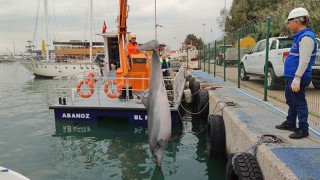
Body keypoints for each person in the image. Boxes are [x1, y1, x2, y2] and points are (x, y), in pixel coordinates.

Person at [275, 7, 317, 139]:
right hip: (292, 76)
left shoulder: (306, 38)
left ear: (297, 21)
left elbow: (304, 60)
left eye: (289, 22)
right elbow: (298, 55)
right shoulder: (299, 37)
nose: (288, 25)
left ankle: (303, 129)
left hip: (298, 77)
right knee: (291, 100)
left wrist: (297, 77)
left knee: (299, 102)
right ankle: (290, 123)